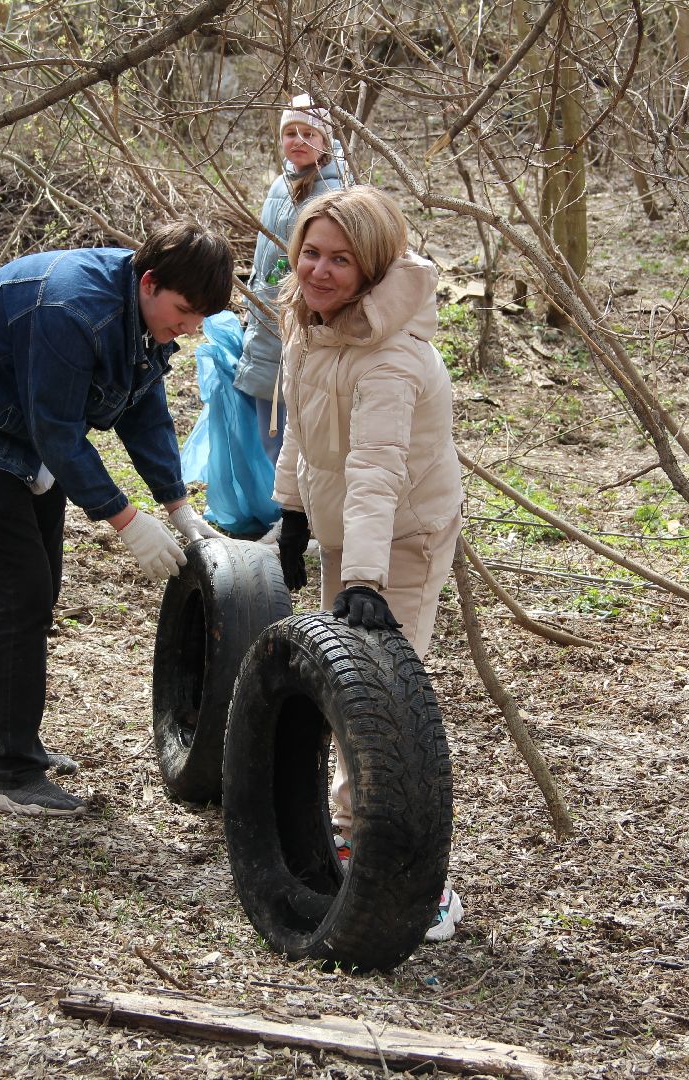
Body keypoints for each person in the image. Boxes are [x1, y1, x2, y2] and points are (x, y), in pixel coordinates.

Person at [0, 221, 231, 818]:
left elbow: (144, 407)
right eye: (184, 312)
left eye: (199, 319)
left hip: (24, 439)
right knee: (22, 590)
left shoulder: (144, 309)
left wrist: (176, 504)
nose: (189, 329)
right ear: (150, 281)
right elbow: (57, 431)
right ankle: (13, 774)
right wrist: (125, 519)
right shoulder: (71, 309)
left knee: (35, 588)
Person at [270, 186, 466, 941]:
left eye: (341, 259)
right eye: (311, 253)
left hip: (402, 544)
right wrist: (289, 516)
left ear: (373, 265)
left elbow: (380, 468)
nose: (320, 271)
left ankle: (421, 881)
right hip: (345, 534)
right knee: (340, 684)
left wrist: (364, 582)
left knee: (385, 693)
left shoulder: (391, 355)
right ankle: (344, 832)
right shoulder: (309, 325)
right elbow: (298, 433)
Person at [233, 94, 350, 542]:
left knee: (300, 424)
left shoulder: (334, 191)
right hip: (266, 319)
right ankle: (286, 514)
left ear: (326, 140)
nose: (297, 140)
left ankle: (305, 521)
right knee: (270, 421)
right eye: (289, 132)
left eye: (308, 133)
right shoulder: (282, 185)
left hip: (303, 319)